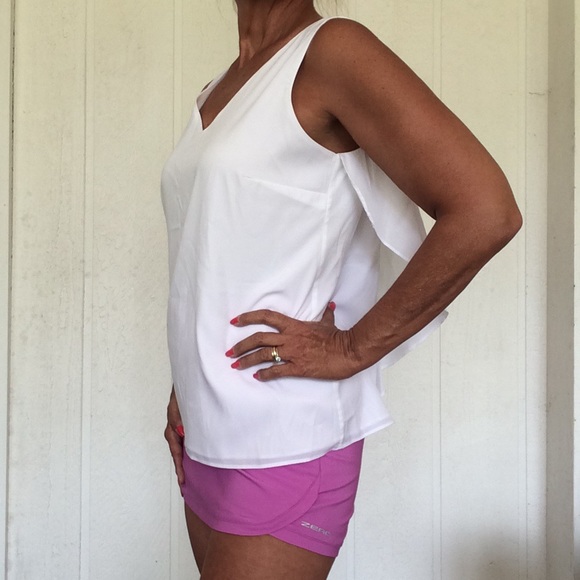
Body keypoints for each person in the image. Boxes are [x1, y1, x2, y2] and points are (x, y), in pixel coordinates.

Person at [160, 1, 522, 578]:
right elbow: (215, 255)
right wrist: (188, 382)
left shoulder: (332, 52)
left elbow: (486, 211)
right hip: (204, 427)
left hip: (286, 434)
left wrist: (352, 348)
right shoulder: (220, 87)